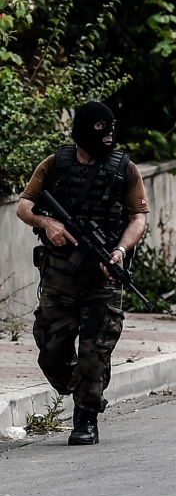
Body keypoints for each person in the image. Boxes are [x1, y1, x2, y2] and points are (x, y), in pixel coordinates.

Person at [15, 101, 149, 446]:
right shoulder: (55, 164)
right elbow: (24, 207)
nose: (108, 136)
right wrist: (48, 223)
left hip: (103, 276)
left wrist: (119, 251)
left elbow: (138, 218)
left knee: (94, 352)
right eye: (101, 129)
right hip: (59, 275)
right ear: (83, 131)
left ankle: (86, 417)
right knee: (52, 352)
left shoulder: (125, 170)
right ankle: (85, 388)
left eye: (111, 129)